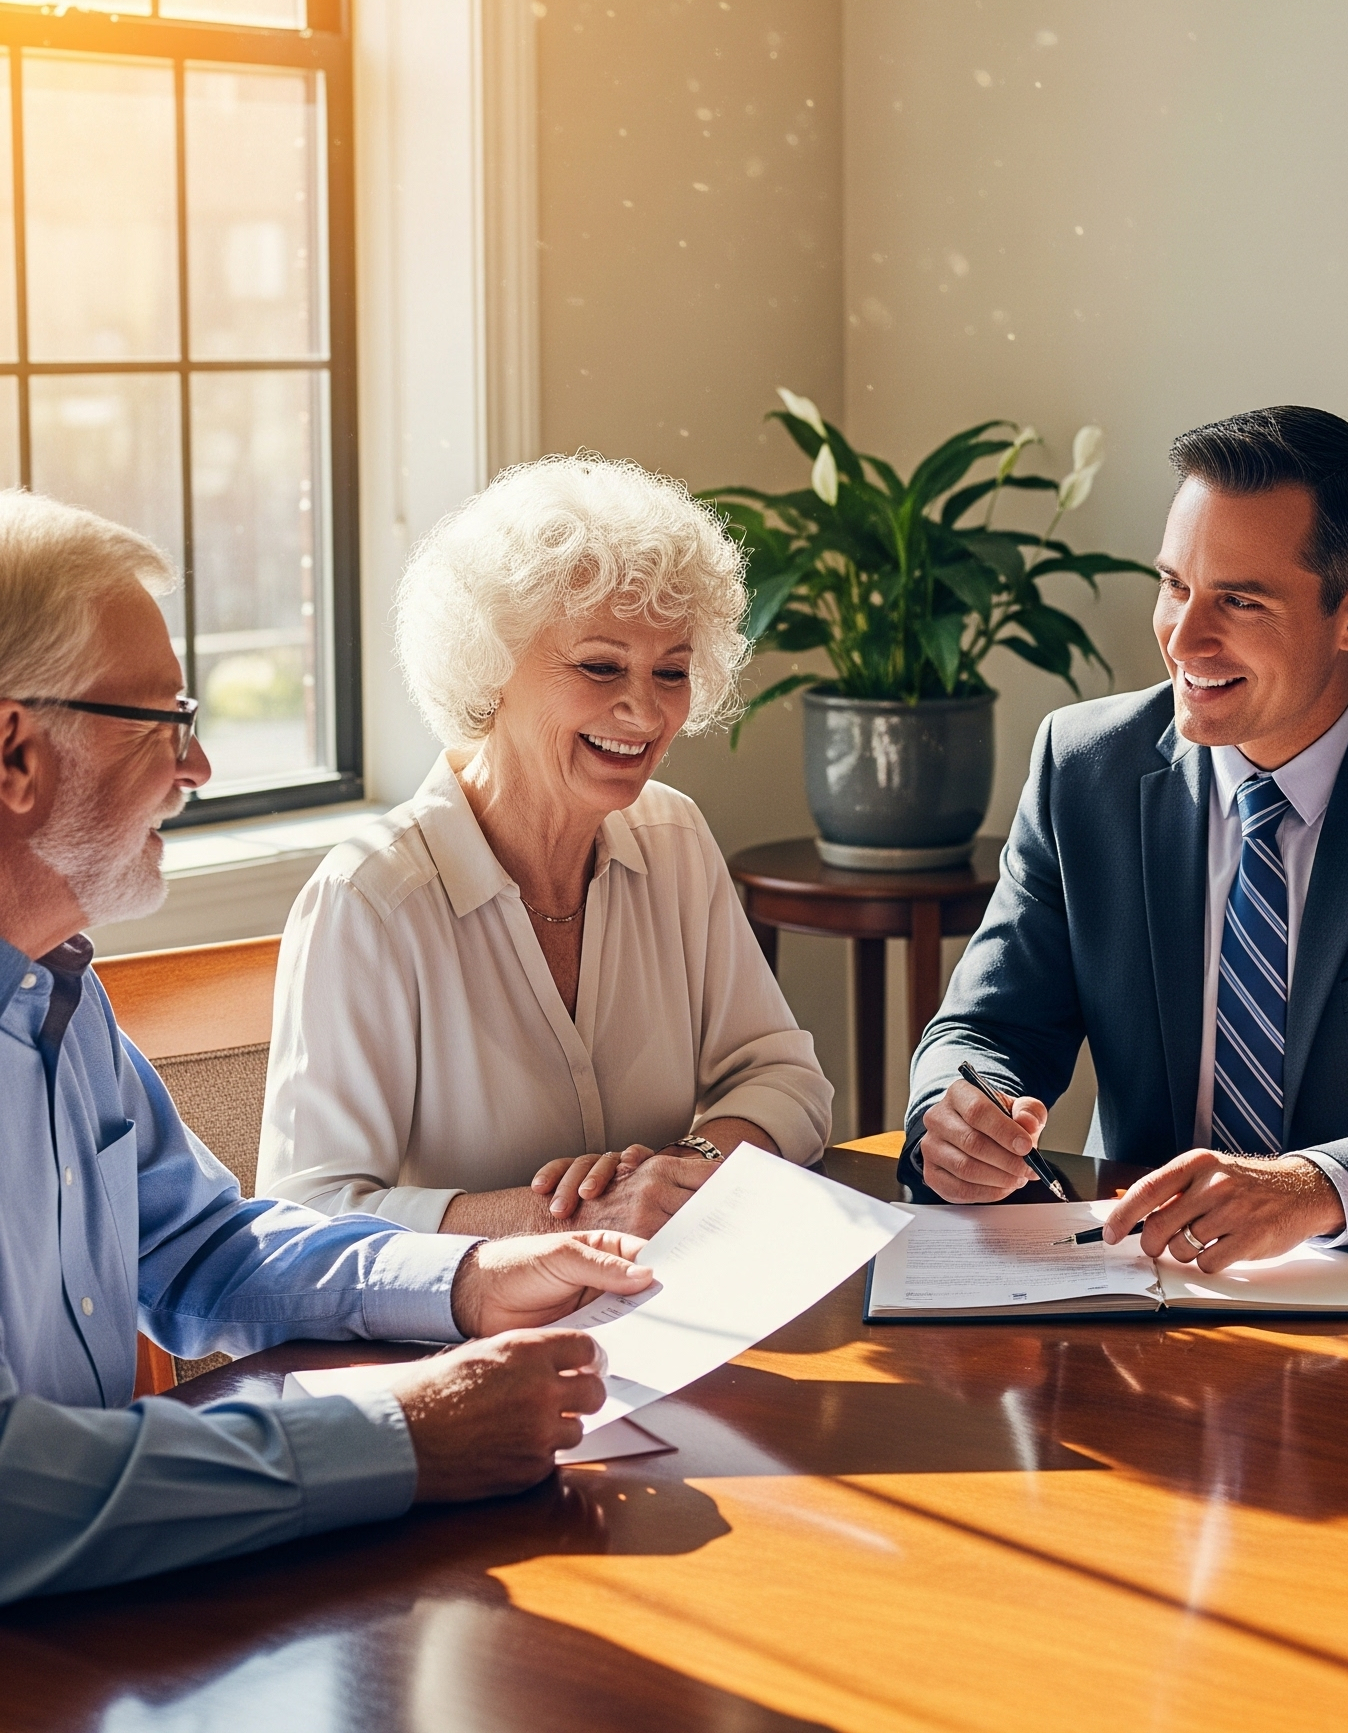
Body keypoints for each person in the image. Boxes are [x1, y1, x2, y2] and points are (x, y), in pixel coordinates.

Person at [0, 491, 660, 1603]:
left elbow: (206, 1245)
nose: (198, 763)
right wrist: (403, 1432)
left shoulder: (60, 991)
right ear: (16, 752)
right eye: (162, 719)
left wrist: (466, 1281)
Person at [902, 406, 1348, 1269]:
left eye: (1238, 599)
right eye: (1173, 585)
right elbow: (987, 1029)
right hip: (1133, 1287)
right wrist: (959, 1113)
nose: (1183, 639)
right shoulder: (1082, 766)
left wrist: (1314, 1187)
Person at [259, 456, 832, 1239]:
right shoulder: (370, 899)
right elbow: (306, 1219)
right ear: (487, 665)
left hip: (665, 1314)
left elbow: (785, 1079)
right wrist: (559, 1220)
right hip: (457, 1342)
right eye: (600, 666)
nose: (643, 710)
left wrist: (684, 1169)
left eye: (671, 671)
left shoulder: (674, 838)